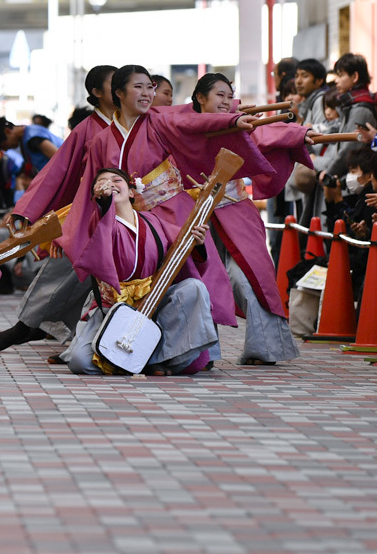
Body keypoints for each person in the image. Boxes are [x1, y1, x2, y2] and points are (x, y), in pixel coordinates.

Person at [62, 65, 274, 351]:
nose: (147, 93)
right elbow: (90, 183)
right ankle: (137, 347)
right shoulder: (99, 140)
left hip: (174, 213)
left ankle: (198, 353)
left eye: (150, 87)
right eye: (139, 87)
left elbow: (196, 122)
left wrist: (232, 122)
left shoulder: (159, 121)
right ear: (119, 93)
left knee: (192, 277)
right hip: (128, 221)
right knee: (132, 281)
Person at [0, 65, 116, 355]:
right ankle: (30, 325)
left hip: (129, 214)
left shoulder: (138, 124)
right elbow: (56, 169)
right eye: (117, 83)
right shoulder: (87, 129)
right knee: (65, 268)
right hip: (88, 214)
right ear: (97, 93)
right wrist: (27, 209)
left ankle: (83, 339)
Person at [191, 73, 307, 365]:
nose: (226, 101)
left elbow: (267, 135)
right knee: (197, 279)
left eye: (229, 96)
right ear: (200, 98)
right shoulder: (182, 124)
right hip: (192, 212)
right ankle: (199, 354)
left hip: (234, 209)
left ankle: (265, 348)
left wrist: (301, 134)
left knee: (250, 276)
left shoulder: (238, 122)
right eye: (219, 95)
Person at [64, 168, 217, 376]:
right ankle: (142, 361)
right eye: (102, 182)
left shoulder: (152, 221)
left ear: (131, 192)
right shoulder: (98, 222)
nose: (110, 183)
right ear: (96, 196)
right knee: (80, 363)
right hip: (113, 306)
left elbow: (181, 246)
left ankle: (155, 358)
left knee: (194, 288)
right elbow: (103, 233)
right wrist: (104, 205)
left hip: (153, 300)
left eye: (117, 180)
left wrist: (196, 243)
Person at [0, 116, 61, 184]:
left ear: (8, 131)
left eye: (4, 145)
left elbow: (62, 159)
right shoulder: (26, 138)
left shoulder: (33, 138)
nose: (6, 149)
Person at [293, 59, 329, 129]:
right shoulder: (309, 101)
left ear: (319, 81)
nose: (298, 81)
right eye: (296, 76)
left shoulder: (321, 99)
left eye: (305, 76)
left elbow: (320, 134)